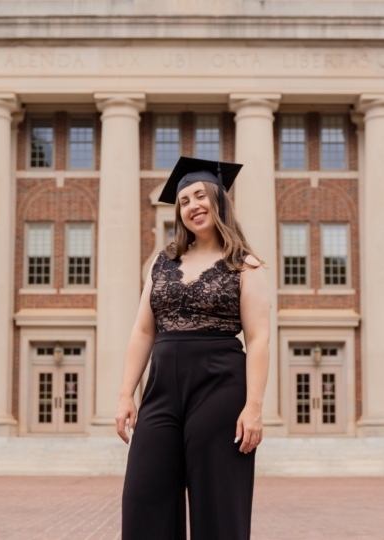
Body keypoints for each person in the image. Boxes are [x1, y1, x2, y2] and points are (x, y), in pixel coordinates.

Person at [116, 156, 271, 540]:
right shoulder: (162, 263)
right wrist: (125, 395)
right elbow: (142, 330)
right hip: (162, 392)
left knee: (219, 503)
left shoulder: (245, 265)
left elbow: (259, 338)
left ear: (219, 201)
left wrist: (253, 408)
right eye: (183, 201)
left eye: (200, 196)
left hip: (220, 388)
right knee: (143, 497)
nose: (192, 206)